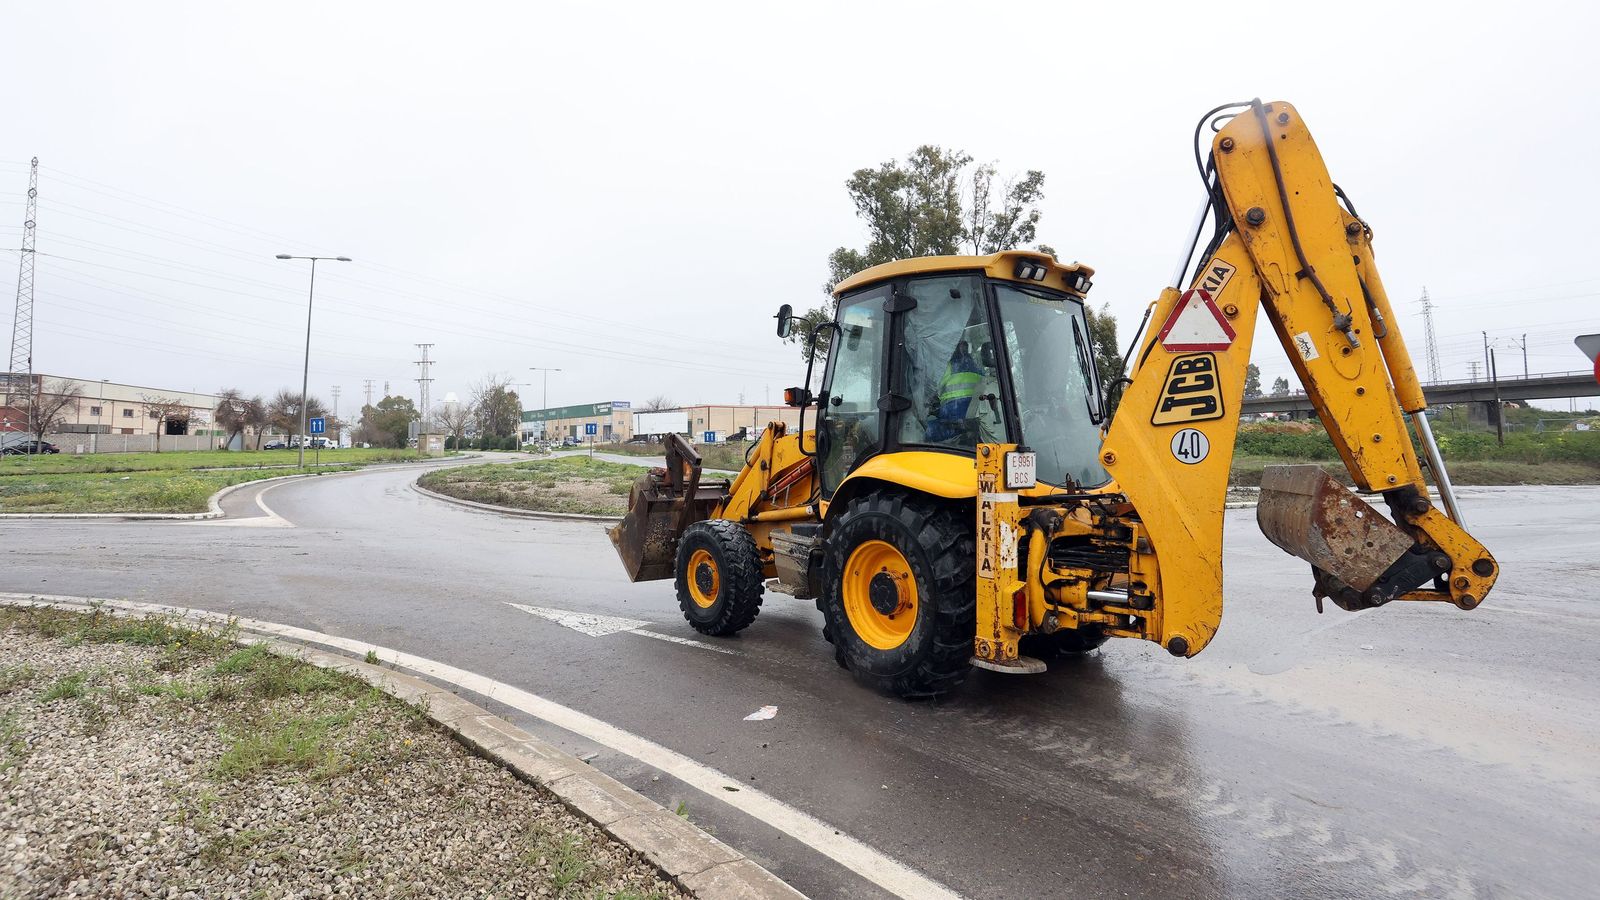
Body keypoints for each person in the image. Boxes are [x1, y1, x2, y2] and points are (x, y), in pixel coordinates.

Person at [926, 340, 982, 442]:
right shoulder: (979, 368)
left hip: (952, 424)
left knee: (920, 433)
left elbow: (930, 393)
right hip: (976, 425)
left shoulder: (945, 367)